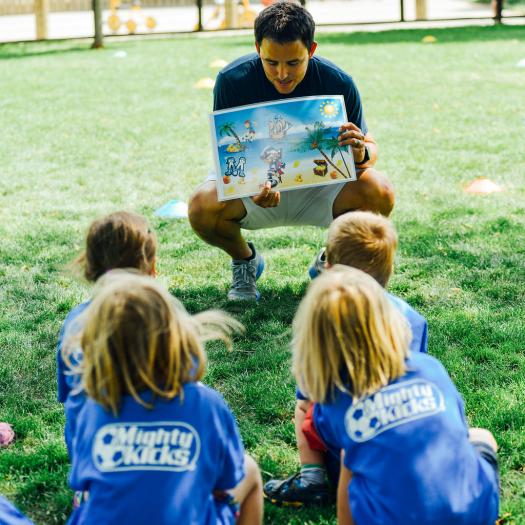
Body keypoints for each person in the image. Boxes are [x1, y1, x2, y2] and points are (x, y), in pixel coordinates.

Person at [189, 1, 394, 301]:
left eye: (294, 63)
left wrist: (360, 151)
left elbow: (369, 150)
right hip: (258, 186)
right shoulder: (232, 80)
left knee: (380, 191)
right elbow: (231, 155)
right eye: (271, 62)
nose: (282, 74)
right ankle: (245, 261)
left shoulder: (337, 81)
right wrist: (251, 186)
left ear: (311, 50)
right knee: (201, 207)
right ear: (257, 48)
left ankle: (331, 260)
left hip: (322, 185)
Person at [275, 266, 499, 523]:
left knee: (350, 458)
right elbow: (457, 431)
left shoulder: (333, 401)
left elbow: (328, 441)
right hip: (472, 512)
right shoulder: (430, 367)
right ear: (390, 319)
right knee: (481, 436)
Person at [63, 273, 263, 525]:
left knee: (86, 499)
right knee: (250, 470)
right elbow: (227, 478)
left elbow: (82, 479)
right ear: (177, 338)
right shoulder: (206, 404)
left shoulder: (93, 407)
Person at [264, 211, 428, 506]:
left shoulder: (322, 320)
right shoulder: (412, 319)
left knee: (304, 406)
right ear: (388, 270)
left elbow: (309, 394)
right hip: (401, 445)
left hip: (348, 455)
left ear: (328, 267)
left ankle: (312, 478)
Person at [56, 211, 157, 454]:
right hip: (156, 451)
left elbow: (68, 393)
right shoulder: (165, 321)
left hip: (89, 455)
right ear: (151, 268)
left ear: (91, 266)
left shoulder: (75, 321)